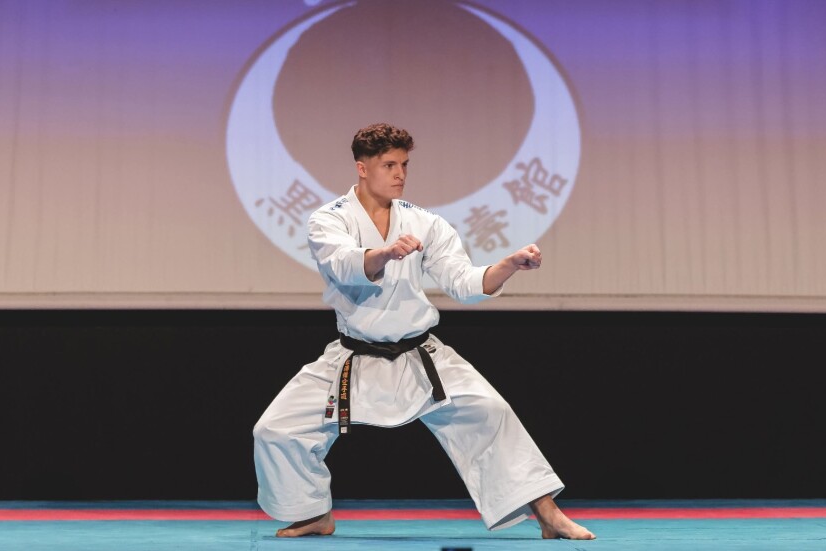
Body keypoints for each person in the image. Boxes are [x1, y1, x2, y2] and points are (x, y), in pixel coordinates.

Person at [252, 123, 595, 540]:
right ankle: (313, 514)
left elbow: (462, 281)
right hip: (353, 356)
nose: (400, 174)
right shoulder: (329, 219)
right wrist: (384, 253)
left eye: (404, 165)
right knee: (275, 430)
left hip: (421, 355)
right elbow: (342, 264)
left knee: (492, 412)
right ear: (362, 168)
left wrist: (507, 265)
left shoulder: (425, 222)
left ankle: (548, 514)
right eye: (389, 165)